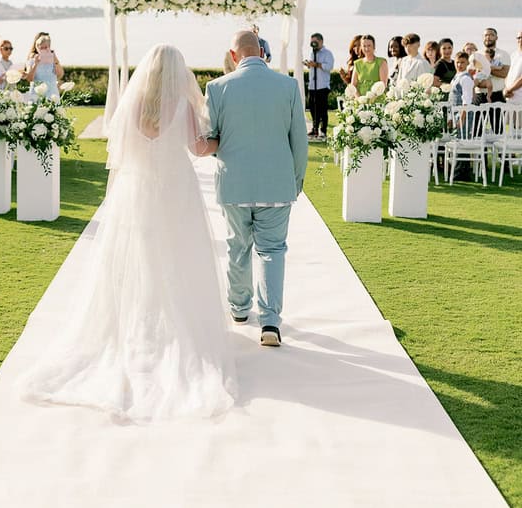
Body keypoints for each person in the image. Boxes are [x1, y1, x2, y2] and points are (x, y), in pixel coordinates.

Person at [19, 44, 235, 421]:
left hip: (136, 190)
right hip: (174, 190)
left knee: (139, 257)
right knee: (176, 256)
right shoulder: (183, 106)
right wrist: (222, 140)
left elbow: (120, 151)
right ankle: (169, 327)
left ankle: (139, 324)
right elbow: (198, 148)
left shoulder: (132, 105)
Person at [205, 30, 307, 348]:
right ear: (262, 53)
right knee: (272, 251)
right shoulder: (288, 86)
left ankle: (238, 309)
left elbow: (211, 137)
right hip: (277, 184)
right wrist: (295, 181)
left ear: (233, 55)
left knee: (237, 247)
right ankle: (270, 322)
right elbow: (299, 141)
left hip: (234, 183)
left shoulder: (216, 87)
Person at [304, 32, 334, 140]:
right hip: (312, 85)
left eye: (315, 41)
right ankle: (314, 128)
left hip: (322, 86)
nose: (313, 44)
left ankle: (323, 130)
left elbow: (329, 66)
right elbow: (313, 66)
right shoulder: (312, 53)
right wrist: (309, 64)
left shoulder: (327, 53)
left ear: (321, 41)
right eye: (311, 42)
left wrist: (317, 64)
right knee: (313, 108)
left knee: (322, 110)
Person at [25, 34, 63, 100]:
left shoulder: (53, 59)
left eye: (45, 47)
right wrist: (35, 64)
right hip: (36, 94)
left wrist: (55, 61)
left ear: (49, 47)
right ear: (37, 48)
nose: (44, 50)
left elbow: (60, 75)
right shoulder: (32, 60)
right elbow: (29, 79)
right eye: (41, 48)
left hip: (52, 94)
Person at [481, 27, 510, 104]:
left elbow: (504, 74)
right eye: (486, 35)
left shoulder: (503, 54)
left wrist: (485, 69)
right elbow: (472, 73)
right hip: (479, 95)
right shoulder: (476, 54)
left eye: (491, 35)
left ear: (496, 38)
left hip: (497, 95)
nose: (488, 37)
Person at [504, 32, 522, 104]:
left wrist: (509, 90)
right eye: (519, 38)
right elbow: (507, 75)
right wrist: (505, 89)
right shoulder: (513, 55)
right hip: (510, 99)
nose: (520, 39)